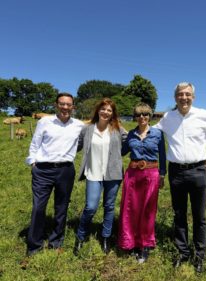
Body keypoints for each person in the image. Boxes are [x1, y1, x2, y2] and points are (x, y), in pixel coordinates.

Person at [155, 82, 206, 273]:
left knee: (199, 215)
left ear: (193, 97)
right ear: (175, 97)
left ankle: (199, 256)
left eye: (187, 94)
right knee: (179, 214)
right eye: (180, 94)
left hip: (198, 171)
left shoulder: (203, 115)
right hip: (176, 172)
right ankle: (183, 252)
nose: (184, 98)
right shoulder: (168, 117)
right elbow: (152, 132)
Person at [25, 92, 84, 256]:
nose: (65, 107)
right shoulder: (44, 122)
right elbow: (35, 143)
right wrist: (33, 162)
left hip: (65, 170)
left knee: (61, 207)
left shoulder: (79, 125)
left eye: (68, 104)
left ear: (73, 107)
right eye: (62, 104)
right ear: (56, 105)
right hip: (43, 170)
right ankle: (34, 246)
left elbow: (95, 130)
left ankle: (55, 241)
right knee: (38, 207)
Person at [73, 98, 127, 255]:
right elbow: (76, 146)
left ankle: (105, 237)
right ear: (98, 110)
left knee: (109, 206)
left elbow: (131, 142)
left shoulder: (118, 129)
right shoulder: (88, 128)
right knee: (90, 207)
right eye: (103, 109)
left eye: (109, 110)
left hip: (113, 173)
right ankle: (81, 236)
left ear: (113, 114)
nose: (105, 112)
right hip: (93, 172)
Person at [118, 103, 166, 263]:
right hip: (132, 175)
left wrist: (163, 175)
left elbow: (163, 156)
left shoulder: (158, 134)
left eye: (145, 115)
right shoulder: (131, 134)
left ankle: (144, 245)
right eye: (138, 115)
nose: (142, 118)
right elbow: (122, 151)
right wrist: (113, 132)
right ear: (135, 117)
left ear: (149, 116)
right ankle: (129, 242)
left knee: (147, 210)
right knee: (130, 209)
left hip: (151, 175)